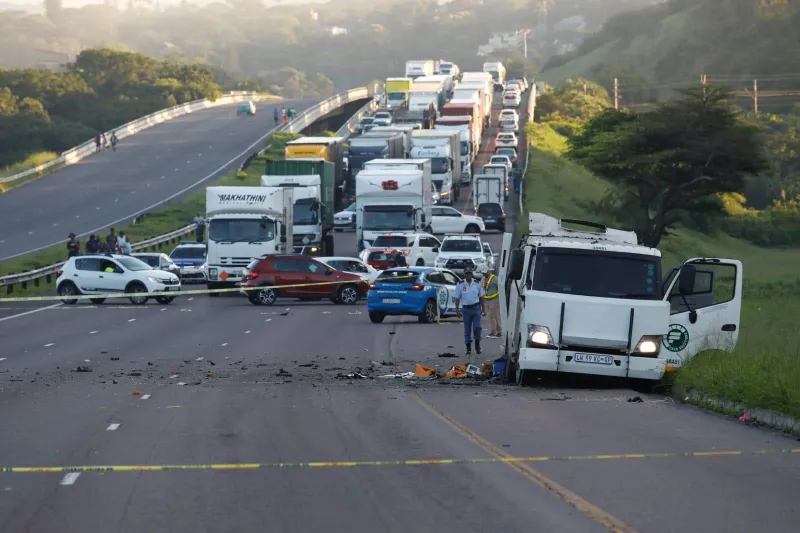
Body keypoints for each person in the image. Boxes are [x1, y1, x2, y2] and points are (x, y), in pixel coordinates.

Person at [454, 266, 486, 355]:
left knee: (477, 327)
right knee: (467, 329)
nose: (468, 275)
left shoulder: (477, 283)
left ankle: (477, 346)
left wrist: (483, 308)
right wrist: (457, 310)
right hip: (466, 309)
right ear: (464, 274)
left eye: (470, 273)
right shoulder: (460, 284)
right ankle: (468, 348)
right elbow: (457, 297)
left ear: (472, 274)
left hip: (476, 308)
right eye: (467, 273)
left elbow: (481, 297)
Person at [482, 267, 501, 338]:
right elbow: (483, 288)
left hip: (494, 299)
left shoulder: (494, 278)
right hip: (487, 299)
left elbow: (500, 287)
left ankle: (493, 331)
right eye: (483, 273)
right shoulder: (484, 279)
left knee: (492, 315)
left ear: (488, 272)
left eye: (485, 273)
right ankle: (499, 331)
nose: (484, 274)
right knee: (494, 316)